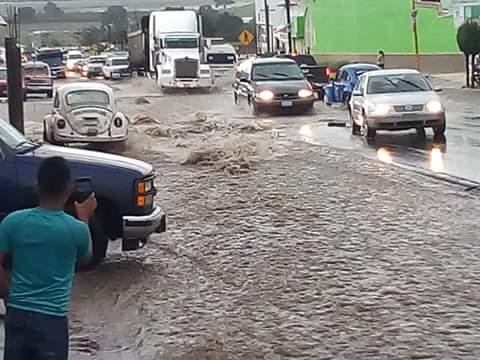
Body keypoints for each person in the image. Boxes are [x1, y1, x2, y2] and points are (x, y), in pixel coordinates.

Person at [0, 156, 97, 360]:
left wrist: (8, 295)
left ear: (37, 185)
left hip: (17, 314)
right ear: (68, 188)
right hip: (52, 320)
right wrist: (85, 218)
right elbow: (85, 260)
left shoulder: (12, 222)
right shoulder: (76, 229)